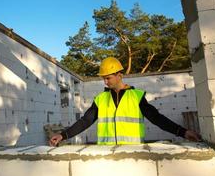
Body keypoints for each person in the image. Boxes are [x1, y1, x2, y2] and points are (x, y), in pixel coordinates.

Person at [49, 57, 201, 146]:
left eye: (108, 78)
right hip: (107, 154)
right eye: (103, 78)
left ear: (119, 75)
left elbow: (157, 119)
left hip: (132, 154)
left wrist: (183, 132)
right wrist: (63, 135)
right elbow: (85, 121)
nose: (105, 82)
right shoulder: (101, 99)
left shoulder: (137, 96)